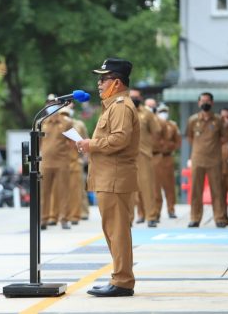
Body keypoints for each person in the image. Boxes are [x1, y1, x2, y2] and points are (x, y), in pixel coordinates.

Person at [77, 57, 139, 297]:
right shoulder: (113, 106)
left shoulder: (121, 106)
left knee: (118, 230)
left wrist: (90, 144)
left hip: (115, 178)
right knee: (114, 230)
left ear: (117, 82)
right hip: (108, 177)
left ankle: (122, 281)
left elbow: (120, 139)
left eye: (104, 79)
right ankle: (120, 277)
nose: (99, 83)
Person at [186, 92, 228, 228]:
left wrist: (213, 146)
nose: (205, 103)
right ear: (199, 103)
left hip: (214, 160)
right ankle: (195, 218)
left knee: (217, 190)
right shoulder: (193, 120)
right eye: (202, 101)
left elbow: (224, 138)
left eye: (207, 101)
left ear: (212, 103)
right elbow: (189, 137)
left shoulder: (218, 120)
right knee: (196, 191)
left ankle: (219, 218)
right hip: (198, 159)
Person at [40, 99, 73, 230]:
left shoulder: (67, 122)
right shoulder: (41, 122)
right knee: (43, 192)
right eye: (48, 104)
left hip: (62, 161)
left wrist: (68, 156)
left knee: (63, 191)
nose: (51, 106)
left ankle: (64, 218)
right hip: (46, 162)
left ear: (59, 106)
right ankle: (43, 218)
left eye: (54, 104)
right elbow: (37, 143)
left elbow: (73, 142)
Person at [131, 90, 161, 227]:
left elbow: (157, 131)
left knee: (147, 187)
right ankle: (130, 217)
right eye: (131, 97)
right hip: (127, 154)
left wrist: (149, 146)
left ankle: (151, 216)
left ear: (140, 98)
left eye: (136, 97)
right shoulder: (123, 112)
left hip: (143, 154)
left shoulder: (147, 113)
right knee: (129, 187)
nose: (134, 99)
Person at [60, 105, 89, 225]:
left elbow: (85, 139)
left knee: (78, 190)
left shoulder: (78, 125)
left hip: (76, 160)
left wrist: (86, 157)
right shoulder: (57, 125)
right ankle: (63, 215)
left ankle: (80, 214)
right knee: (63, 191)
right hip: (62, 162)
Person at [155, 103, 181, 219]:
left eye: (165, 111)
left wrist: (169, 146)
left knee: (169, 186)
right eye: (161, 111)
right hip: (155, 157)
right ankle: (156, 211)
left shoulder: (172, 125)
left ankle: (171, 209)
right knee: (155, 186)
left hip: (167, 157)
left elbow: (178, 142)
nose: (163, 113)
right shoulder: (153, 125)